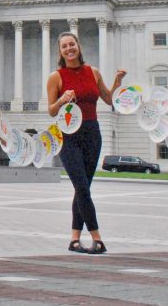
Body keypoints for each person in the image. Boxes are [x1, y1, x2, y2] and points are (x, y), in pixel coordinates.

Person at [46, 32, 125, 255]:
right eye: (64, 46)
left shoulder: (93, 72)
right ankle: (97, 237)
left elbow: (109, 99)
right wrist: (61, 100)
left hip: (92, 133)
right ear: (60, 52)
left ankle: (74, 239)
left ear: (78, 46)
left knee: (83, 188)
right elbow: (51, 111)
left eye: (72, 44)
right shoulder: (56, 76)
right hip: (69, 135)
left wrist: (118, 81)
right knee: (81, 187)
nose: (69, 49)